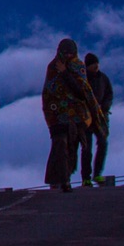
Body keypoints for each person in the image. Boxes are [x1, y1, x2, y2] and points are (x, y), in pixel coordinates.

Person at [41, 38, 97, 192]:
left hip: (76, 116)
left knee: (72, 147)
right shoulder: (52, 67)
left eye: (70, 53)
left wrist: (65, 73)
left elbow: (81, 92)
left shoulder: (78, 67)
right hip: (57, 115)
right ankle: (61, 180)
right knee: (60, 145)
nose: (68, 56)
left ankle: (66, 178)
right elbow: (48, 92)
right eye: (65, 53)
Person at [81, 53, 114, 187]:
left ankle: (97, 173)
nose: (96, 66)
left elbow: (109, 94)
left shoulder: (103, 78)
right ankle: (86, 177)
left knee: (102, 143)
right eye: (93, 64)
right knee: (87, 148)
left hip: (100, 116)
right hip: (86, 117)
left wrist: (104, 107)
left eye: (97, 63)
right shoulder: (82, 79)